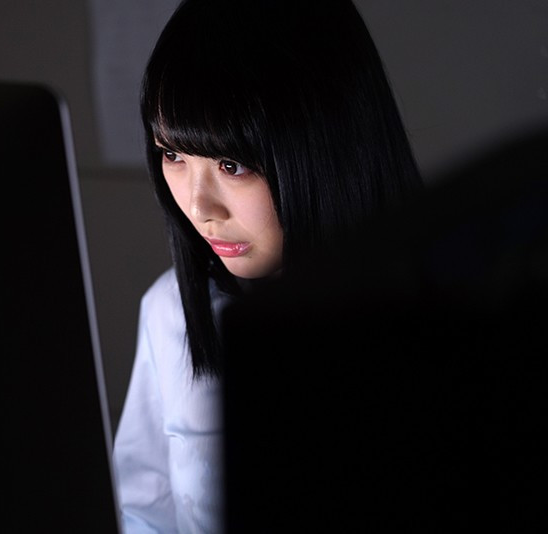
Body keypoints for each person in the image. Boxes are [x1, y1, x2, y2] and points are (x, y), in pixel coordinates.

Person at [112, 0, 423, 532]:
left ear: (328, 147)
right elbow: (144, 510)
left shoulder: (448, 306)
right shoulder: (172, 311)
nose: (199, 207)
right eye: (173, 156)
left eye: (231, 165)